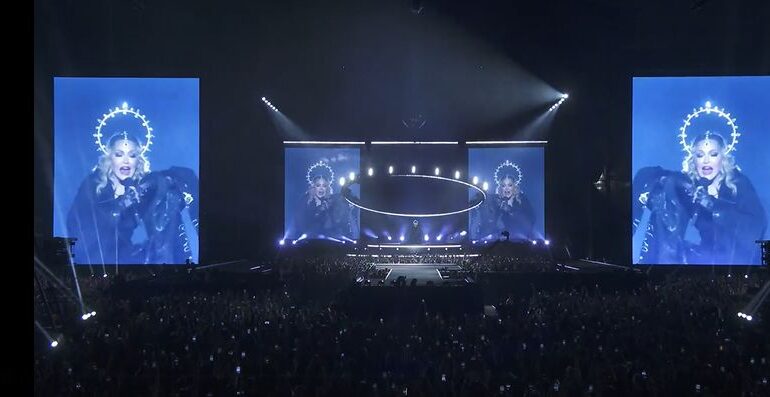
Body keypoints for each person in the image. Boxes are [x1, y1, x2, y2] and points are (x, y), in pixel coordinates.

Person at [66, 132, 199, 265]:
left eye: (132, 155)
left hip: (124, 259)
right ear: (110, 158)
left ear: (138, 160)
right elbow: (77, 223)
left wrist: (167, 181)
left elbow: (163, 210)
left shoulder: (143, 187)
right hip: (93, 255)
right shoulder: (93, 185)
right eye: (119, 154)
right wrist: (121, 206)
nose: (126, 160)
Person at [634, 131, 766, 264]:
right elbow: (659, 186)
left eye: (713, 154)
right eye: (700, 155)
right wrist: (663, 179)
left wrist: (712, 205)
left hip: (739, 260)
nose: (706, 160)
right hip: (707, 259)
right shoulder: (690, 186)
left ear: (723, 158)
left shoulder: (737, 184)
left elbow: (756, 225)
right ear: (693, 159)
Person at [472, 167, 535, 241]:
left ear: (514, 187)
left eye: (510, 185)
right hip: (498, 241)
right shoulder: (495, 200)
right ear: (500, 187)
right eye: (503, 185)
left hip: (520, 240)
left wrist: (511, 211)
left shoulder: (522, 200)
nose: (507, 188)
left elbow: (530, 220)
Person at [295, 164, 357, 239]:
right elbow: (300, 222)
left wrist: (348, 206)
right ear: (313, 187)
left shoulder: (332, 200)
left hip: (331, 239)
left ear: (327, 187)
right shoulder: (305, 200)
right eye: (318, 185)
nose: (321, 188)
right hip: (309, 239)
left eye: (324, 186)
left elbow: (337, 221)